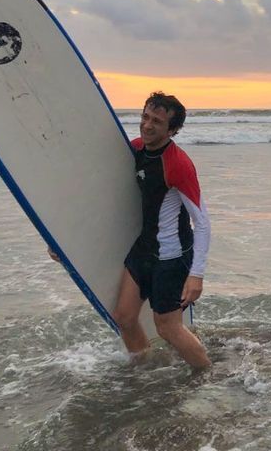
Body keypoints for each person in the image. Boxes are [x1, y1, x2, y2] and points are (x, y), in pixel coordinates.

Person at [53, 92, 212, 368]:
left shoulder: (178, 164)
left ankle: (207, 376)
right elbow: (105, 198)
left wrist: (196, 275)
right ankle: (145, 370)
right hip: (144, 248)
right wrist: (64, 242)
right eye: (145, 117)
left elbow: (203, 221)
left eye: (157, 122)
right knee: (124, 317)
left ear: (172, 130)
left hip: (171, 257)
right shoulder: (137, 150)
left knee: (168, 328)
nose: (148, 125)